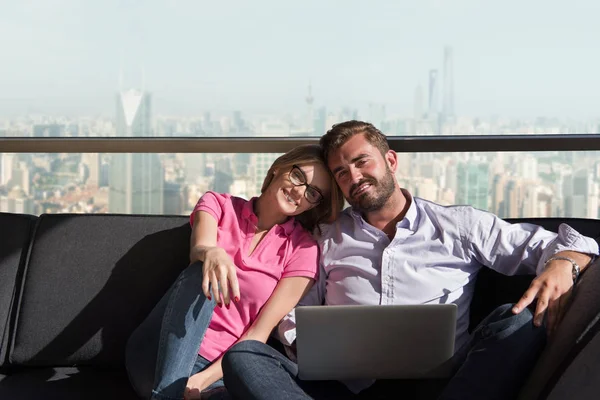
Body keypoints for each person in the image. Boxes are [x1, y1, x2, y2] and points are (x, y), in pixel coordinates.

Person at [222, 120, 600, 400]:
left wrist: (564, 262)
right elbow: (293, 311)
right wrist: (310, 346)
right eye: (341, 172)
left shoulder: (458, 224)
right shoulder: (326, 236)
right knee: (245, 356)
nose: (354, 176)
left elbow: (569, 243)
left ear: (390, 160)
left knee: (514, 322)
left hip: (444, 388)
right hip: (342, 390)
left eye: (361, 162)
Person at [125, 144, 344, 400]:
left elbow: (257, 335)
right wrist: (211, 252)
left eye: (313, 193)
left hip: (213, 371)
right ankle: (168, 392)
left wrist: (200, 380)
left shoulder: (303, 250)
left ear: (313, 205)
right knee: (202, 271)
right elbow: (200, 247)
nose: (299, 192)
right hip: (158, 348)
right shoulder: (218, 204)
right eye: (298, 176)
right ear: (278, 169)